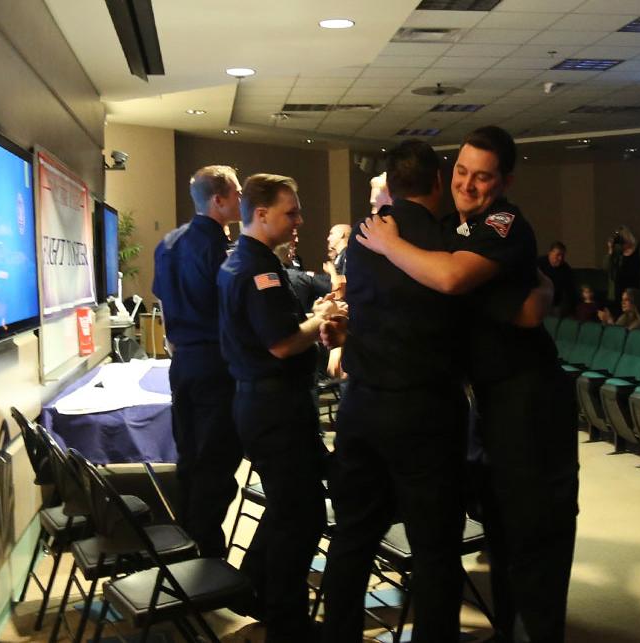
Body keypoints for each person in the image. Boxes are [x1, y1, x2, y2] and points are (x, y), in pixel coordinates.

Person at [355, 126, 577, 642]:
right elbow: (524, 301)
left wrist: (389, 244)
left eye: (483, 177)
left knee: (535, 531)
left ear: (504, 181)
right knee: (502, 529)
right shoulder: (454, 230)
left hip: (530, 399)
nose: (468, 184)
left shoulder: (503, 223)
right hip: (492, 402)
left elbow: (453, 281)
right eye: (461, 171)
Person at [317, 140, 471, 641]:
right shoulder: (449, 241)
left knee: (353, 537)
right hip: (425, 408)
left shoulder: (361, 241)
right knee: (434, 547)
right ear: (437, 181)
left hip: (363, 404)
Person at [217, 173, 346, 642]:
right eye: (291, 212)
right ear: (262, 213)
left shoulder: (242, 261)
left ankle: (254, 590)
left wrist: (309, 317)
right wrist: (323, 319)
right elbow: (283, 343)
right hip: (275, 409)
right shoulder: (259, 269)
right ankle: (287, 625)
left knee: (287, 509)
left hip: (260, 406)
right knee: (302, 517)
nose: (299, 221)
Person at [151, 165, 243, 559]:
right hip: (215, 365)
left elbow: (162, 304)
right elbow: (230, 311)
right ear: (219, 200)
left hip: (182, 363)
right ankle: (204, 555)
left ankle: (187, 544)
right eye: (238, 193)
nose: (243, 199)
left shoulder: (168, 242)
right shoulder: (221, 250)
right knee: (217, 464)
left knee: (189, 458)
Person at [537, 241, 577, 316]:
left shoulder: (566, 269)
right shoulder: (538, 263)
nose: (560, 258)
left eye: (563, 256)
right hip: (539, 300)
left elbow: (571, 290)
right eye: (558, 255)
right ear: (550, 253)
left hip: (556, 303)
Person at [326, 223, 351, 296]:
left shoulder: (348, 254)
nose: (328, 238)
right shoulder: (340, 256)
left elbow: (345, 282)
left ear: (341, 234)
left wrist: (331, 271)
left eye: (331, 234)